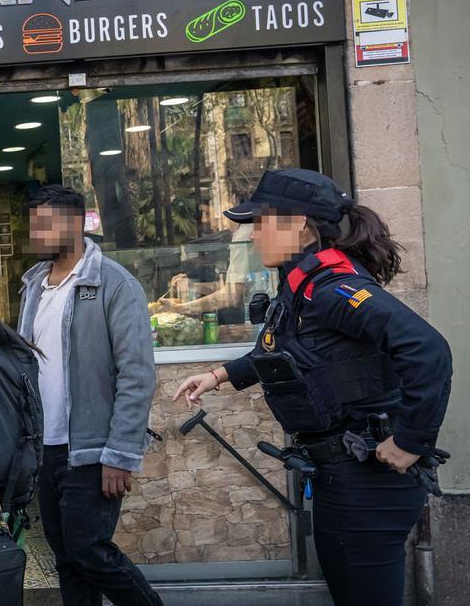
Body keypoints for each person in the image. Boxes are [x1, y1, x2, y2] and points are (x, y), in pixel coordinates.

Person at [172, 168, 453, 606]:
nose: (253, 235)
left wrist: (411, 439)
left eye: (261, 223)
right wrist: (220, 376)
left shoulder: (333, 288)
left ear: (299, 224)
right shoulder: (300, 286)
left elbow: (427, 349)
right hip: (345, 475)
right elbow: (288, 352)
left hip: (366, 481)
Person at [17, 185, 162, 606]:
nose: (36, 232)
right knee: (67, 559)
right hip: (47, 448)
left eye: (45, 224)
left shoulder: (114, 284)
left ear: (75, 223)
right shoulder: (34, 287)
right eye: (33, 223)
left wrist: (120, 454)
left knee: (90, 551)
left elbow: (136, 374)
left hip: (92, 451)